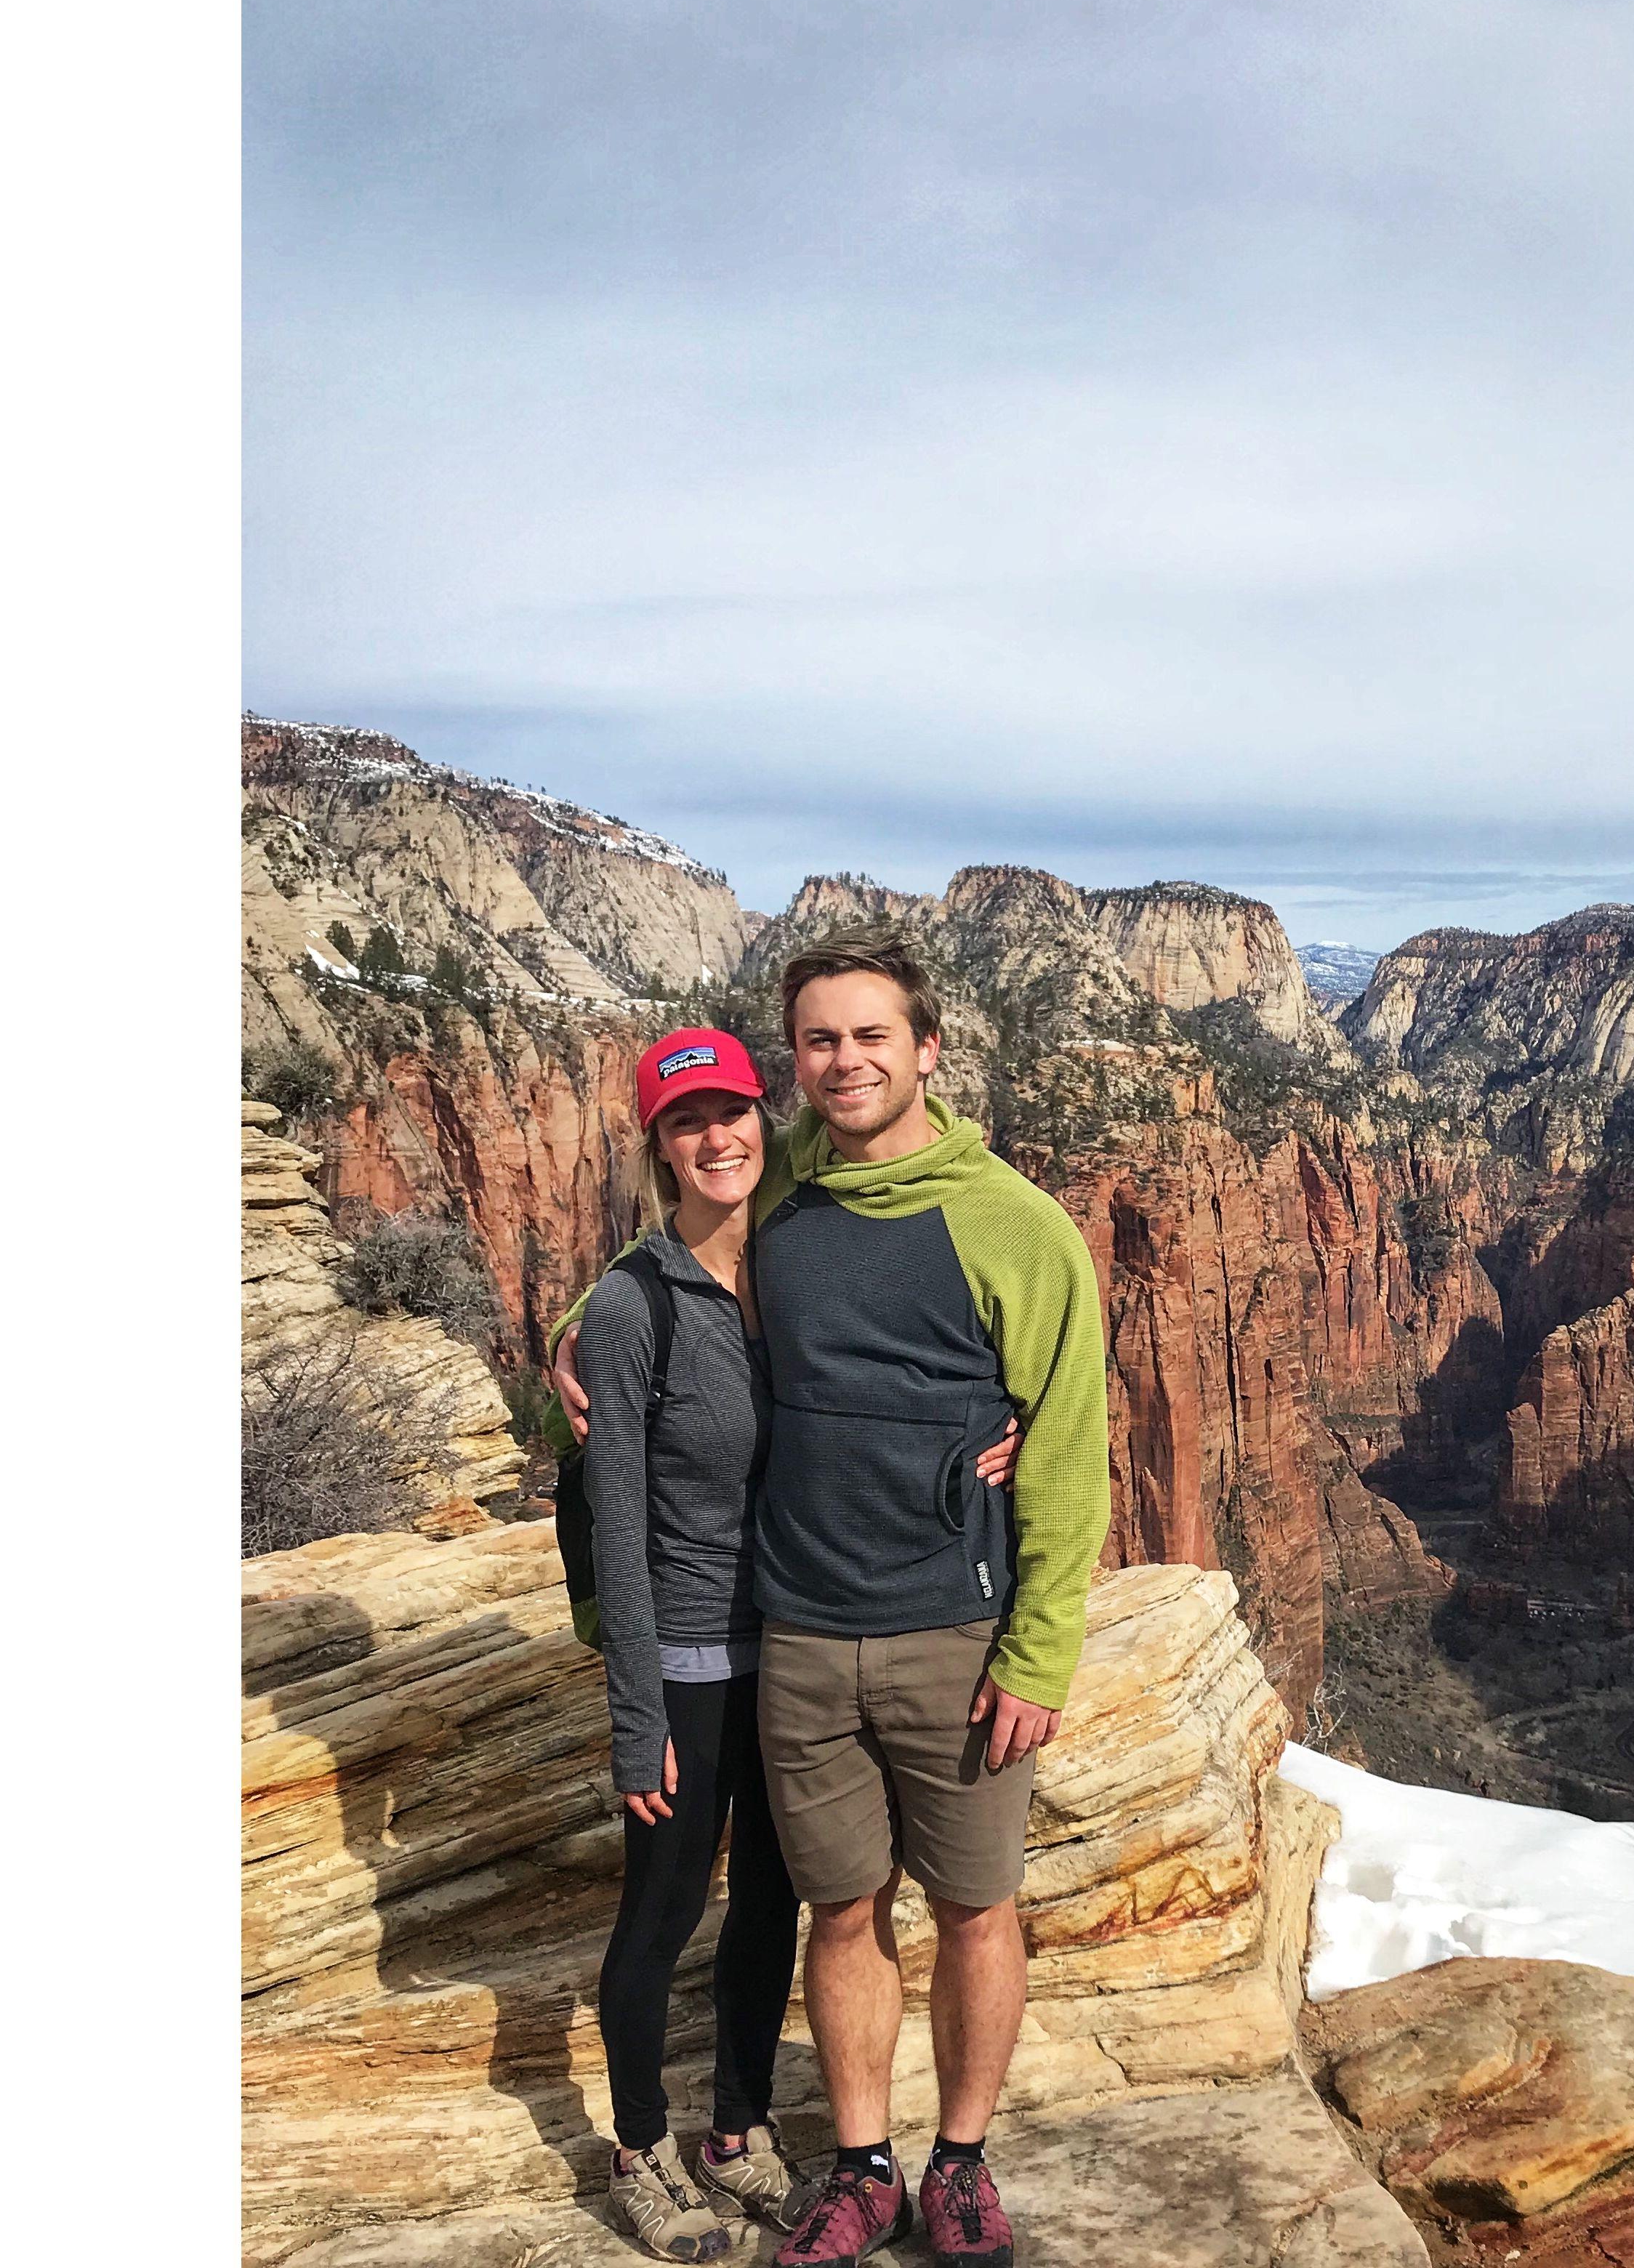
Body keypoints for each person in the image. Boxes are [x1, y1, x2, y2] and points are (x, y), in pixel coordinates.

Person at [556, 932, 1111, 2268]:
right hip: (798, 1633)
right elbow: (681, 1239)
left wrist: (1038, 1649)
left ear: (928, 1048)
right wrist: (578, 1324)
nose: (846, 1061)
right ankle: (861, 2164)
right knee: (838, 1907)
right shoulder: (792, 1169)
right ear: (793, 1068)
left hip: (953, 1629)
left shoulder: (1013, 1224)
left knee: (977, 1907)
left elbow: (1076, 1441)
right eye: (819, 1042)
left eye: (872, 1036)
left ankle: (962, 2162)